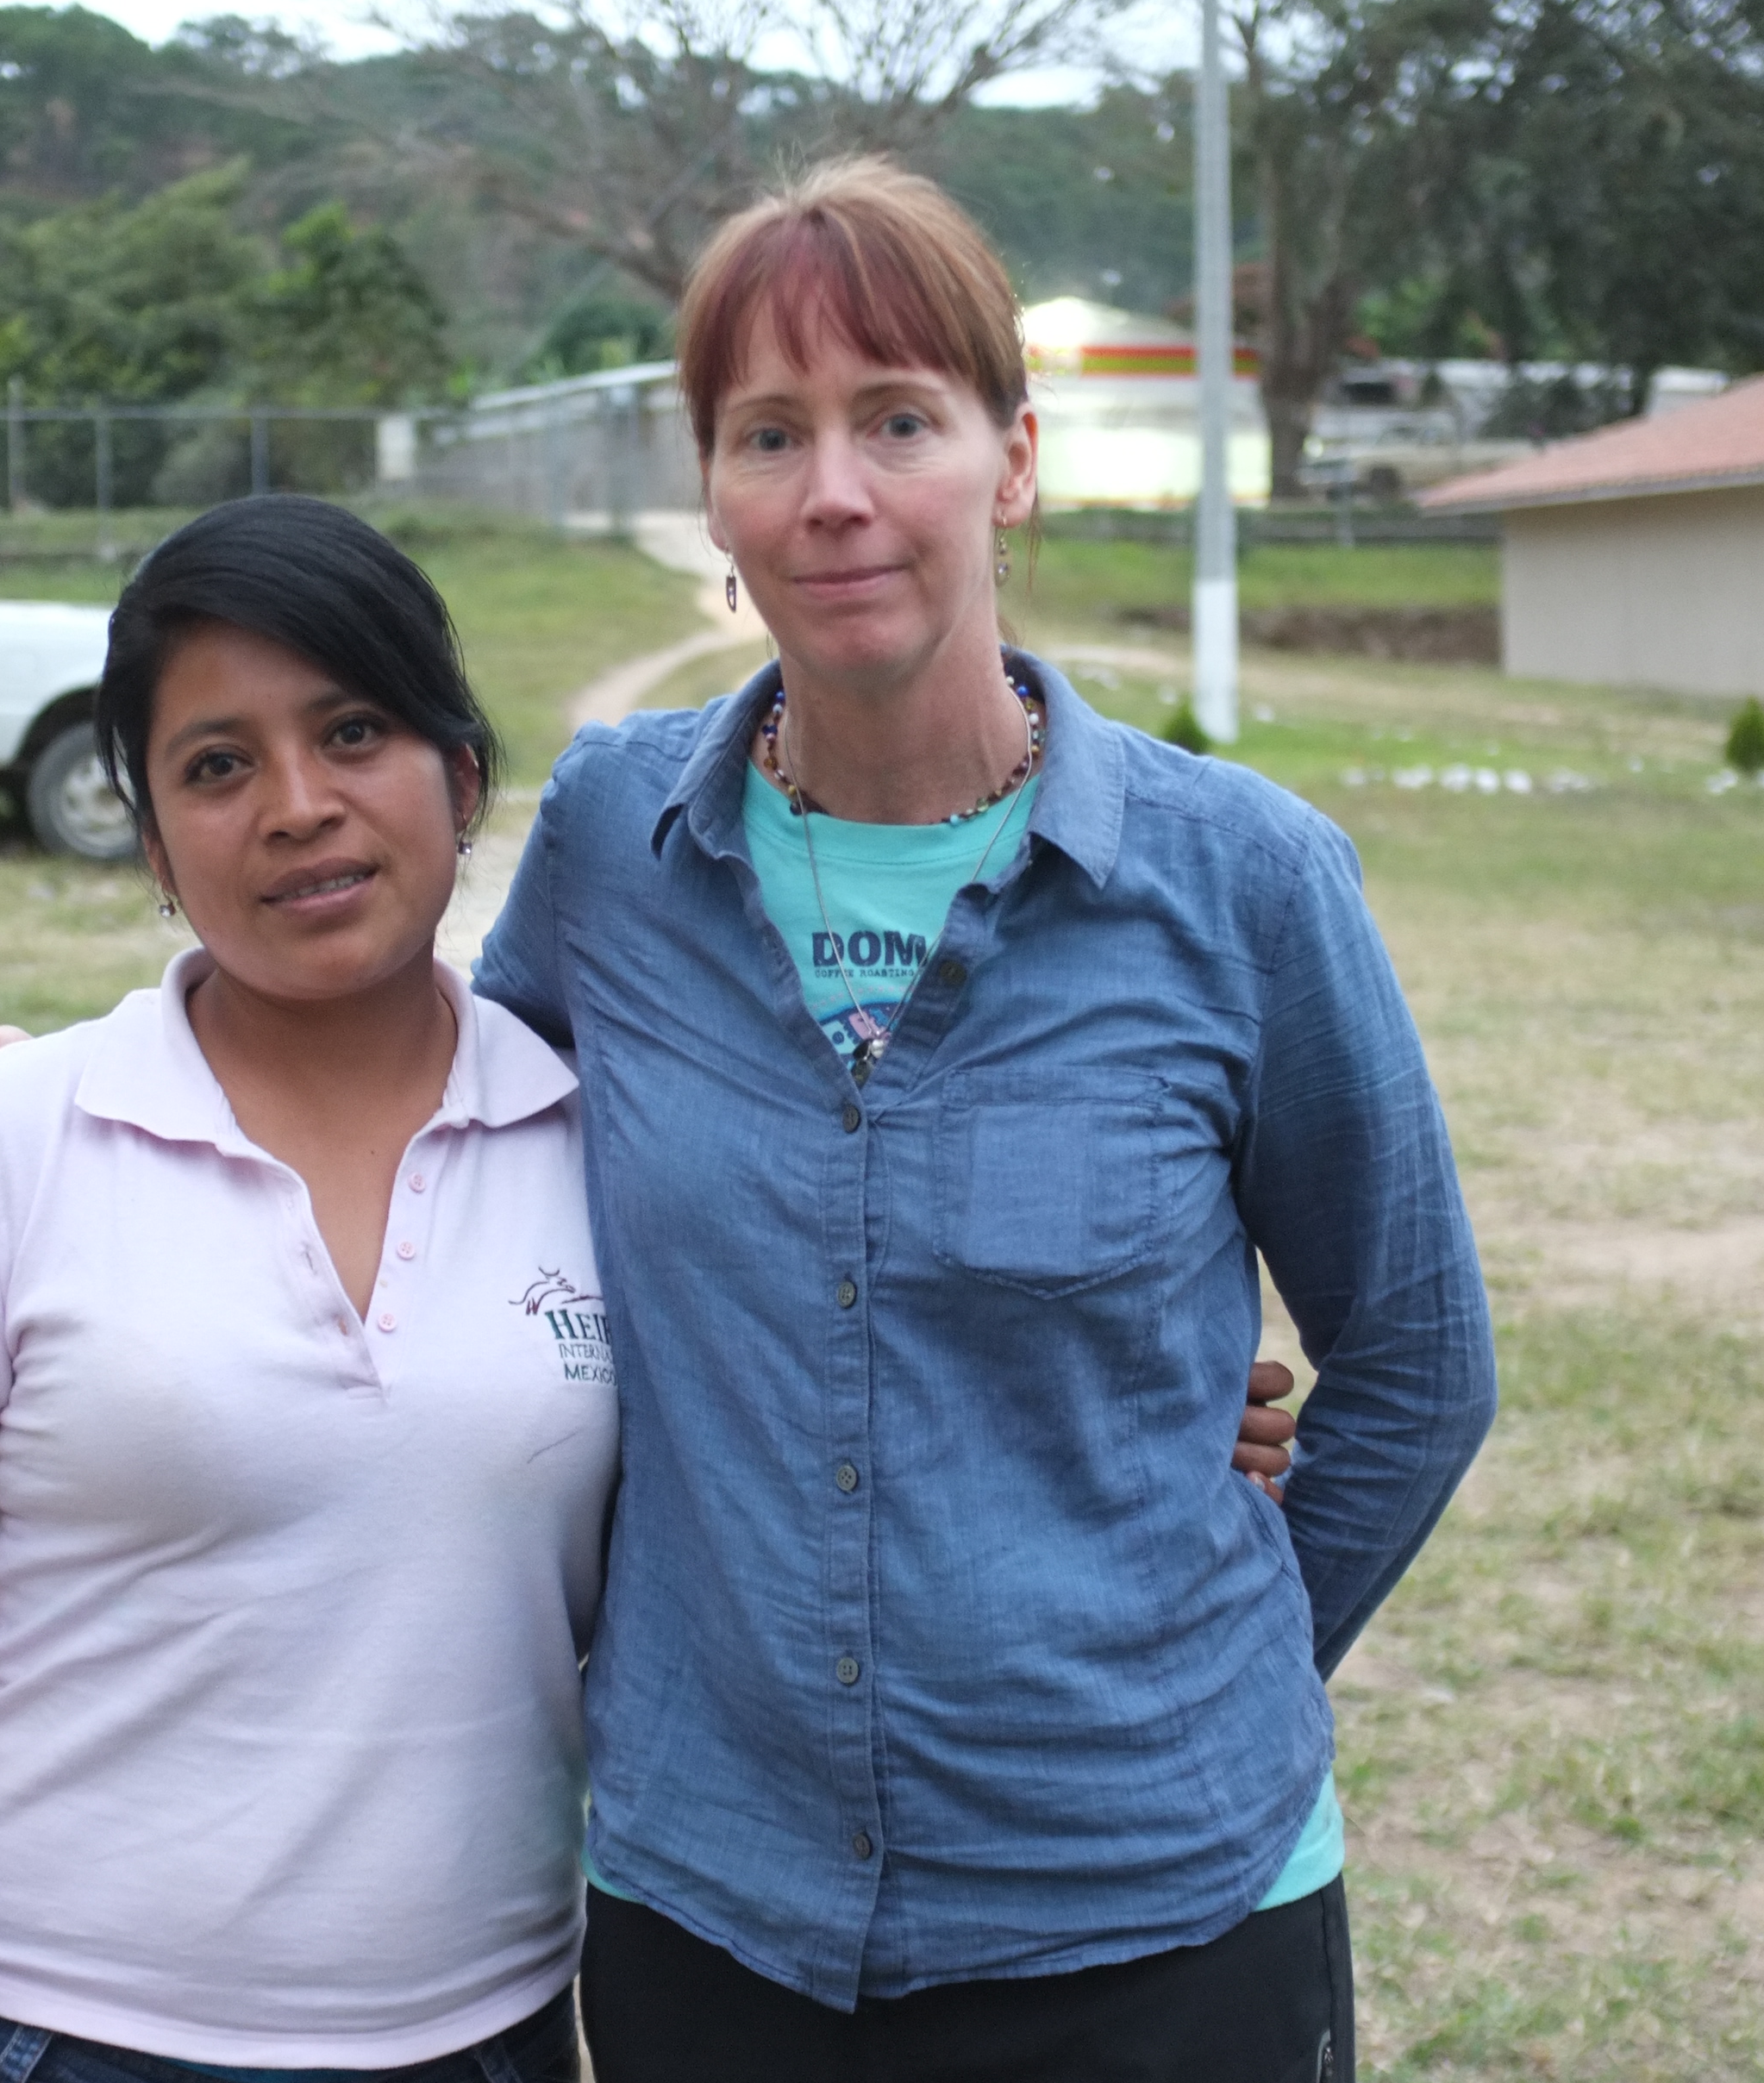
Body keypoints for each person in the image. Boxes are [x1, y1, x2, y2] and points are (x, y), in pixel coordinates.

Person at [487, 160, 1495, 2080]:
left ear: (1012, 460)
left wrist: (1207, 1665)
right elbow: (435, 1138)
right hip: (716, 1914)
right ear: (712, 493)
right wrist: (72, 1090)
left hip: (1162, 1928)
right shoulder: (615, 841)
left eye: (898, 420)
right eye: (768, 434)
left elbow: (1419, 1359)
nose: (834, 492)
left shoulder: (1241, 881)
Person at [0, 497, 604, 2083]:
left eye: (353, 732)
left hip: (491, 2031)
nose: (298, 807)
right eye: (218, 765)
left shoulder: (607, 1141)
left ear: (461, 776)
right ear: (157, 848)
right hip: (71, 2030)